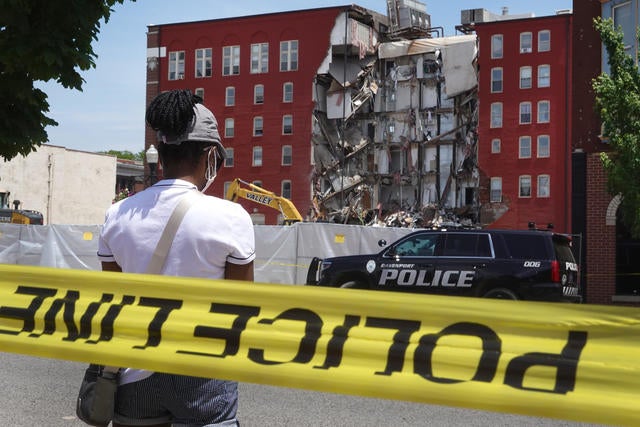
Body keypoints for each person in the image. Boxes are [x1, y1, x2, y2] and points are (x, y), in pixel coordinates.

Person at [97, 89, 255, 427]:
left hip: (133, 370)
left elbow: (112, 297)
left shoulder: (117, 215)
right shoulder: (232, 216)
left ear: (162, 152)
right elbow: (242, 305)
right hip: (203, 369)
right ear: (210, 154)